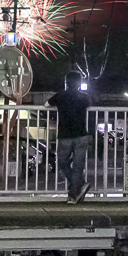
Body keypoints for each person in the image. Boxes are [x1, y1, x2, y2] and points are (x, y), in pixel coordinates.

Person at [49, 71, 92, 204]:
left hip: (65, 135)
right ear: (79, 83)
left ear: (66, 82)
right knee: (78, 166)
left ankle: (77, 189)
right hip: (81, 135)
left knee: (62, 162)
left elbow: (46, 104)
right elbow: (90, 105)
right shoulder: (84, 97)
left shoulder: (60, 96)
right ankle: (74, 194)